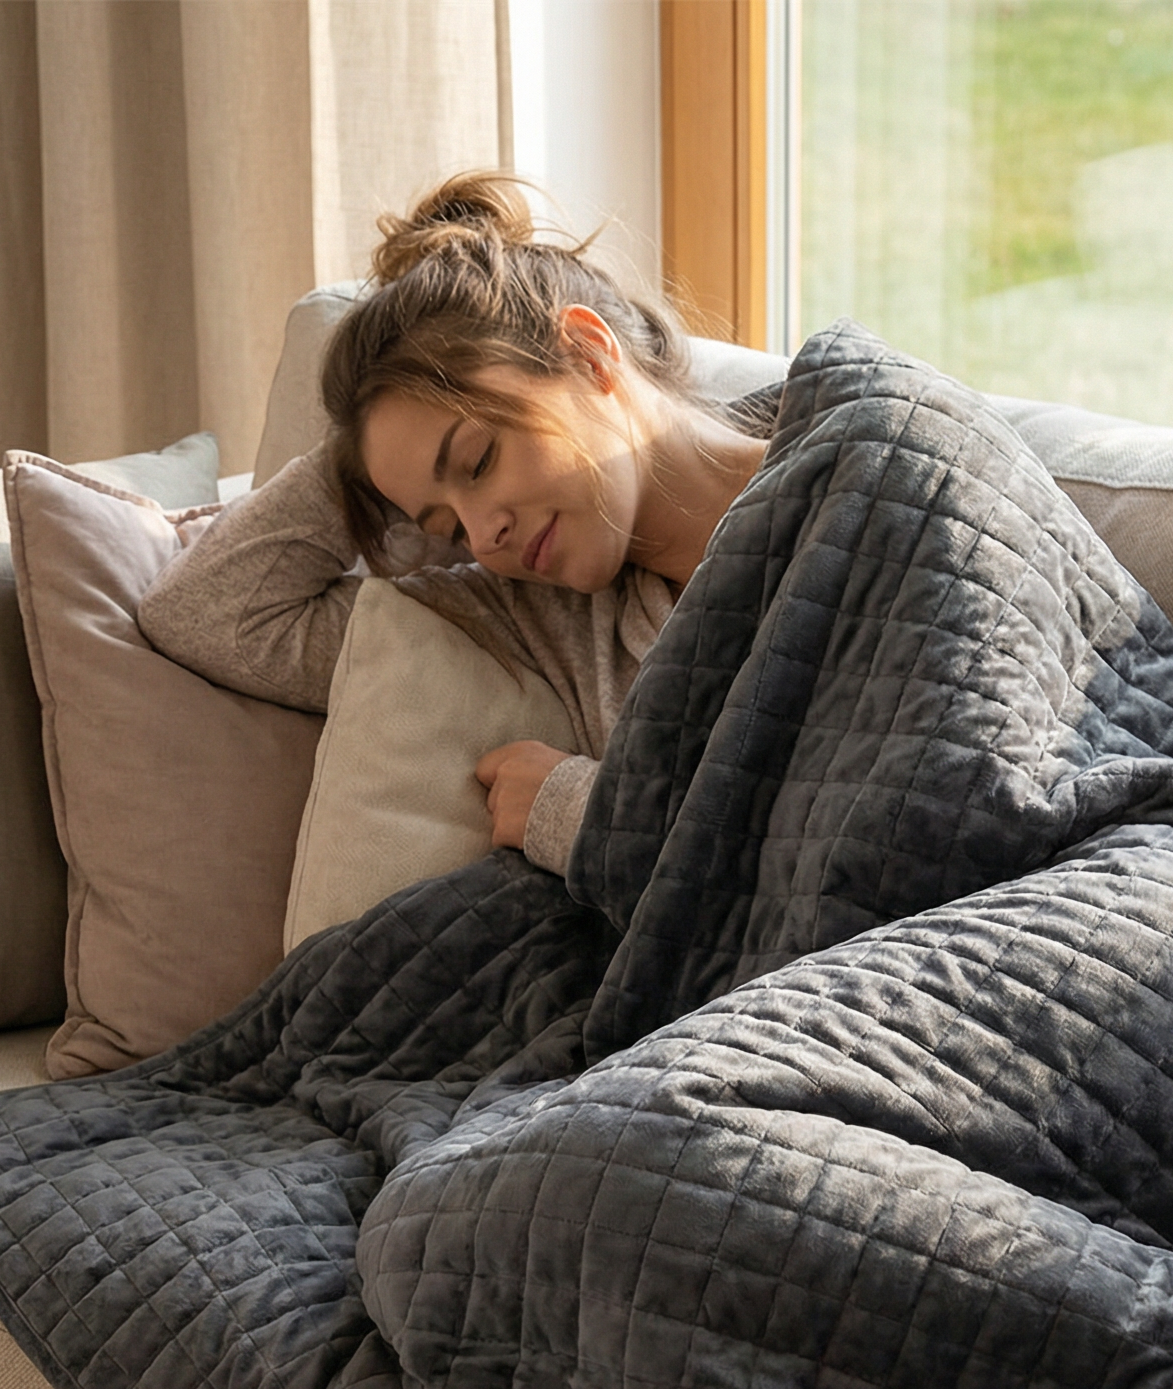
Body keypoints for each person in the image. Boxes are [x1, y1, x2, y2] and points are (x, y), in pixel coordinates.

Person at [137, 172, 776, 876]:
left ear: (589, 354)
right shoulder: (548, 618)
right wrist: (372, 452)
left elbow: (883, 836)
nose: (483, 537)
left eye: (478, 460)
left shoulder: (863, 466)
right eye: (444, 527)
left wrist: (582, 812)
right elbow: (209, 612)